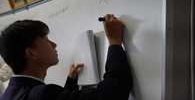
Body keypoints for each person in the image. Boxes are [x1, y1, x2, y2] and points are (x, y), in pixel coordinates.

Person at [0, 14, 133, 100]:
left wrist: (71, 82)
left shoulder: (8, 94)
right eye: (46, 40)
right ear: (31, 53)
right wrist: (115, 42)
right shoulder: (42, 95)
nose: (54, 44)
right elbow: (112, 95)